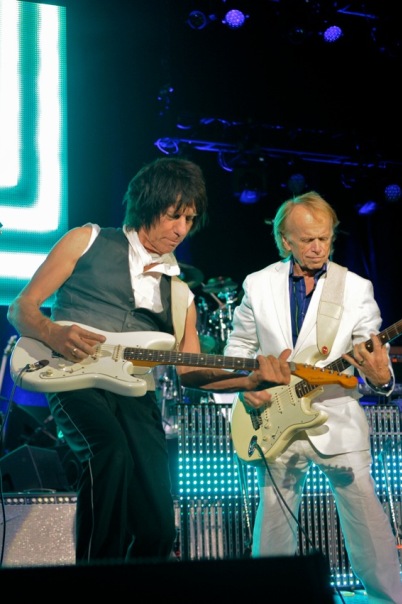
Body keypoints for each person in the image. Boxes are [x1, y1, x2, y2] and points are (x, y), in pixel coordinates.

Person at [6, 156, 291, 565]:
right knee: (108, 452)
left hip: (136, 394)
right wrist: (53, 331)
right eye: (174, 216)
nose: (181, 229)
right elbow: (22, 308)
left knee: (157, 524)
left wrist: (251, 381)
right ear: (146, 204)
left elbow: (190, 371)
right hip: (71, 378)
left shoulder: (180, 295)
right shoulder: (85, 240)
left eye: (190, 219)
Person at [224, 190, 402, 603]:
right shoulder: (258, 283)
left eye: (325, 238)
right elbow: (238, 351)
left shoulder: (355, 288)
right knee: (272, 527)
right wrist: (246, 388)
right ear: (285, 240)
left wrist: (380, 376)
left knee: (368, 527)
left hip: (336, 421)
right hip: (273, 416)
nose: (319, 247)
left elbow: (374, 360)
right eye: (307, 240)